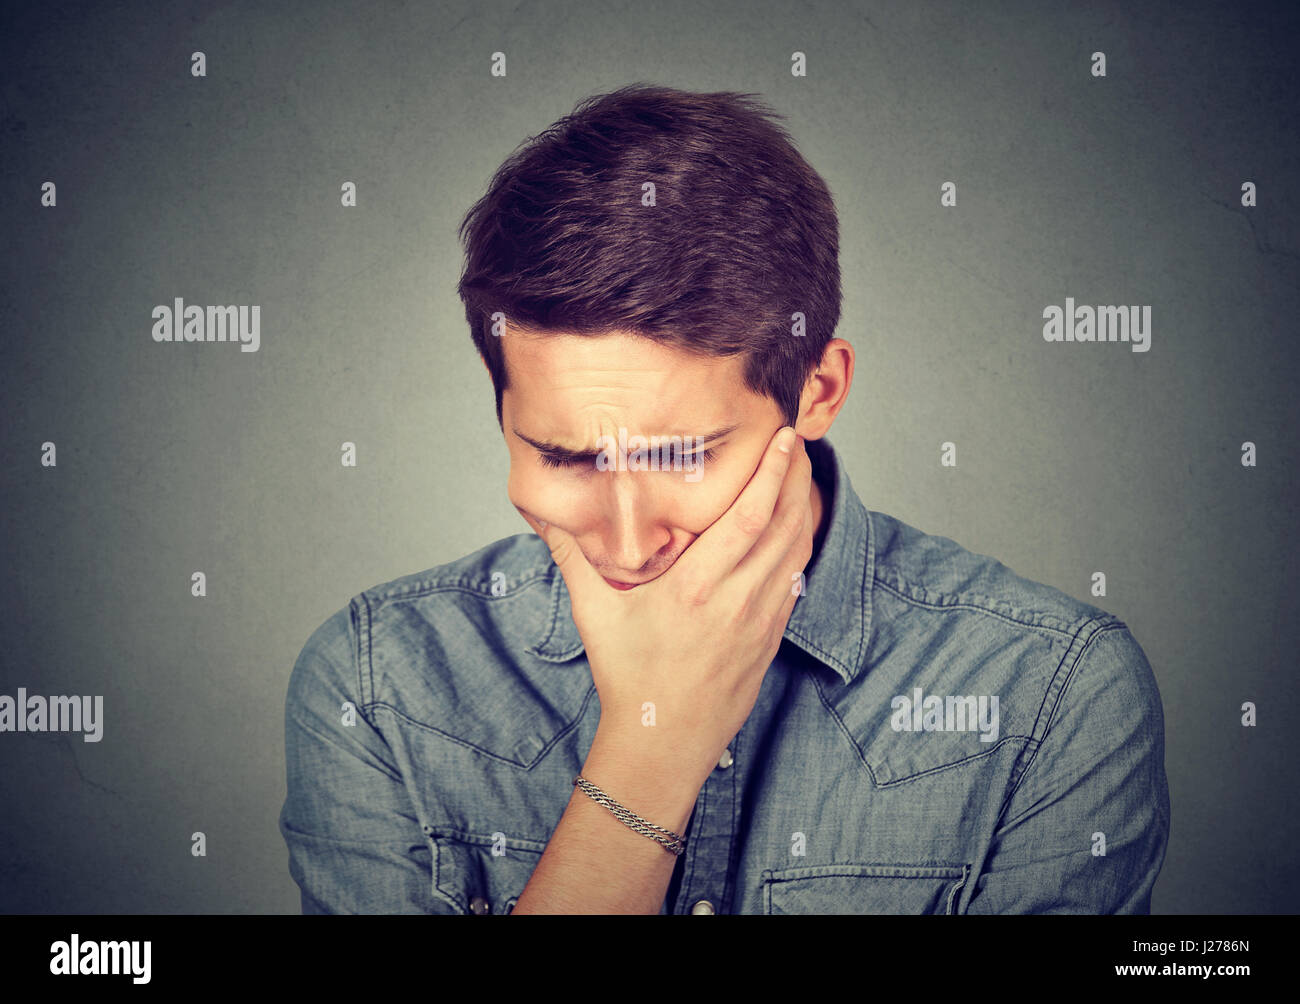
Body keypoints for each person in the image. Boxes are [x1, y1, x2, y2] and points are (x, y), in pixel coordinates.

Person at [279, 83, 1170, 914]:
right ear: (495, 388)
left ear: (817, 390)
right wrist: (650, 754)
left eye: (682, 456)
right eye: (563, 456)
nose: (627, 546)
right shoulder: (376, 687)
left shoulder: (1054, 695)